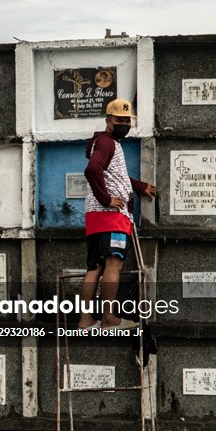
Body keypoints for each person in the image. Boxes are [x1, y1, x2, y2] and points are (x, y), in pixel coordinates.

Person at [76, 99, 156, 329]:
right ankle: (108, 318)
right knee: (113, 266)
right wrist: (107, 199)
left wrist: (139, 187)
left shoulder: (102, 143)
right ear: (108, 120)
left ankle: (85, 319)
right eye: (119, 119)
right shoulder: (107, 143)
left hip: (94, 217)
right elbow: (92, 170)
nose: (124, 123)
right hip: (112, 218)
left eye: (127, 120)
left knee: (94, 268)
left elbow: (115, 177)